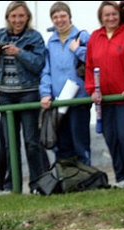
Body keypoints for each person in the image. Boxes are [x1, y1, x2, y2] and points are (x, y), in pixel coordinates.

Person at [0, 1, 46, 194]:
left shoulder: (34, 37)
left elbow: (38, 64)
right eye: (14, 16)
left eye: (21, 16)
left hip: (28, 93)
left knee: (31, 141)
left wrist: (19, 53)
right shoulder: (1, 35)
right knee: (10, 143)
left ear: (27, 17)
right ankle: (12, 185)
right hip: (6, 95)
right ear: (8, 18)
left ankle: (38, 184)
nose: (17, 20)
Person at [86, 1, 124, 188]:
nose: (111, 18)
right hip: (105, 100)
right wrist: (92, 90)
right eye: (107, 15)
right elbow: (88, 66)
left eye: (114, 14)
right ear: (101, 18)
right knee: (111, 136)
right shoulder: (95, 37)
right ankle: (120, 178)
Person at [39, 2, 92, 166]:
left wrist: (78, 50)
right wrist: (45, 93)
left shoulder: (82, 37)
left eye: (62, 16)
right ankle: (66, 178)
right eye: (55, 17)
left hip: (79, 99)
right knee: (62, 142)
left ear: (69, 17)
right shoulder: (51, 42)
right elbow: (46, 71)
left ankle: (85, 176)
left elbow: (93, 59)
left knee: (80, 141)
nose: (59, 20)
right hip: (58, 101)